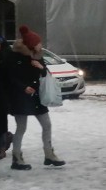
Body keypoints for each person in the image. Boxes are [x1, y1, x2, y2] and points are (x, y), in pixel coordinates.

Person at [6, 25, 65, 170]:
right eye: (38, 43)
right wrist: (23, 87)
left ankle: (49, 154)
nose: (41, 45)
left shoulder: (38, 57)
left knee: (47, 125)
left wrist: (41, 68)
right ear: (31, 45)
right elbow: (10, 77)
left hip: (37, 97)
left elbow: (45, 74)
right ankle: (17, 157)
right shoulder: (15, 57)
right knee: (21, 127)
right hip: (20, 97)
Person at [0, 36, 13, 166]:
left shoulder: (5, 57)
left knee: (0, 119)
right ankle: (6, 137)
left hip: (1, 95)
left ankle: (1, 145)